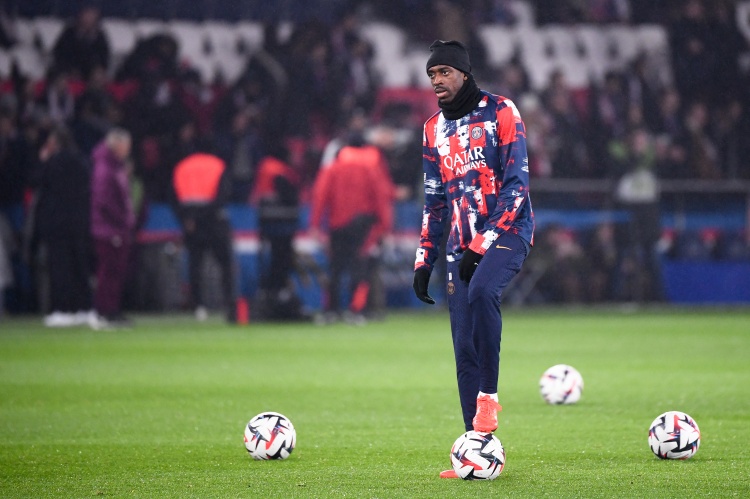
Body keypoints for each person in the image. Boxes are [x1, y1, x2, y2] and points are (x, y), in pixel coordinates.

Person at [412, 40, 534, 478]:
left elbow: (518, 185)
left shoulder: (501, 110)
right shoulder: (432, 129)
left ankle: (489, 398)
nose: (437, 81)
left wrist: (483, 242)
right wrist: (424, 259)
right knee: (463, 347)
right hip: (458, 247)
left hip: (509, 232)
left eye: (444, 72)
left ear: (464, 73)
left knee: (483, 290)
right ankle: (475, 450)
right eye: (432, 74)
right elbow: (434, 201)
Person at [310, 136, 393, 325]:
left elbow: (320, 195)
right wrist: (384, 226)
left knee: (335, 268)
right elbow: (381, 197)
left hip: (337, 224)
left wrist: (315, 224)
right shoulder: (370, 167)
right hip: (363, 224)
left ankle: (331, 310)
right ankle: (356, 310)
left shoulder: (332, 168)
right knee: (360, 268)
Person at [32, 125, 93, 327]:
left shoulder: (53, 162)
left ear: (55, 143)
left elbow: (35, 181)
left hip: (57, 222)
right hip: (79, 221)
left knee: (59, 267)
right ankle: (84, 309)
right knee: (80, 266)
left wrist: (42, 160)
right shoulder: (82, 161)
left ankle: (62, 310)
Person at [171, 151, 236, 322]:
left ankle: (198, 306)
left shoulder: (182, 167)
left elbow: (172, 197)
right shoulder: (218, 166)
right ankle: (229, 304)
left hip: (192, 225)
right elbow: (223, 197)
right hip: (215, 222)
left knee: (195, 266)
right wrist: (202, 216)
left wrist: (187, 218)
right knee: (225, 264)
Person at [90, 128, 135, 328]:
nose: (128, 150)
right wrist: (123, 220)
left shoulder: (115, 166)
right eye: (126, 146)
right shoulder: (105, 168)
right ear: (117, 145)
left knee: (116, 272)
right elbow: (104, 201)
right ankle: (104, 311)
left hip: (115, 229)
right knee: (108, 271)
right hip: (109, 230)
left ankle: (112, 310)